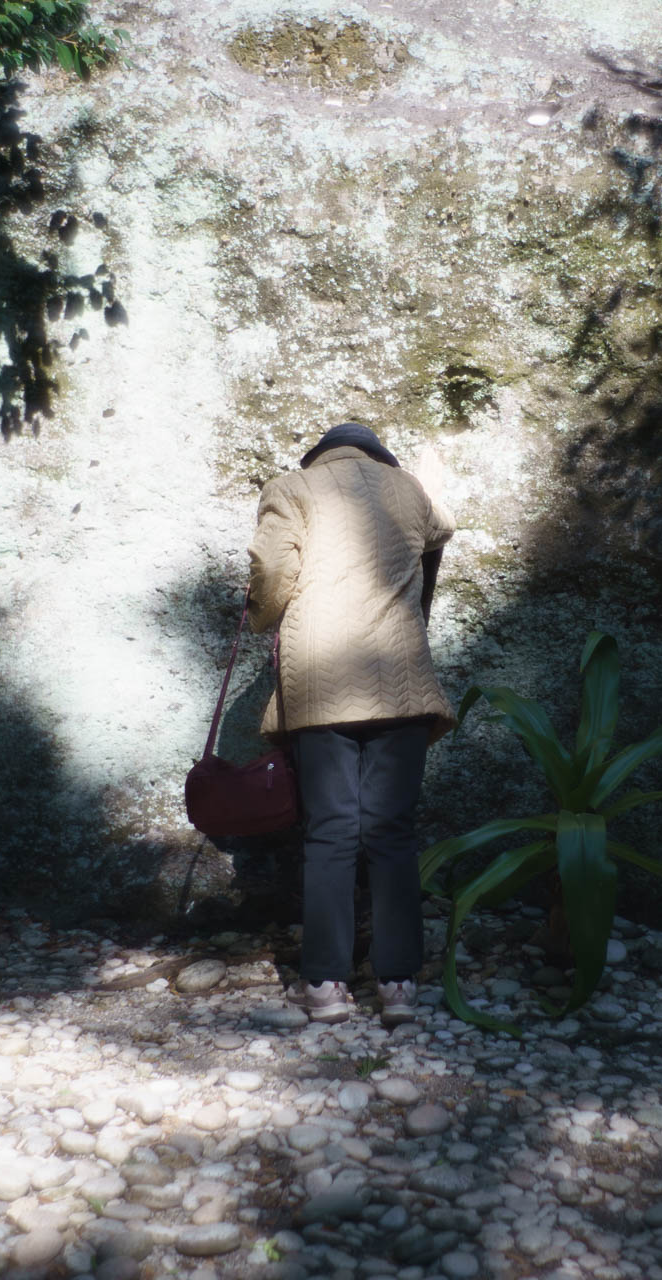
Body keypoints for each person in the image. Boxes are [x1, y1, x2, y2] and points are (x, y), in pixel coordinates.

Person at [247, 422, 457, 1026]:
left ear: (319, 456)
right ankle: (396, 987)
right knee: (392, 830)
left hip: (321, 686)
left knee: (331, 830)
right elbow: (441, 525)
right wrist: (429, 473)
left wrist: (261, 613)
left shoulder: (292, 487)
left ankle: (324, 987)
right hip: (402, 684)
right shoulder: (408, 492)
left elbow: (270, 572)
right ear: (379, 457)